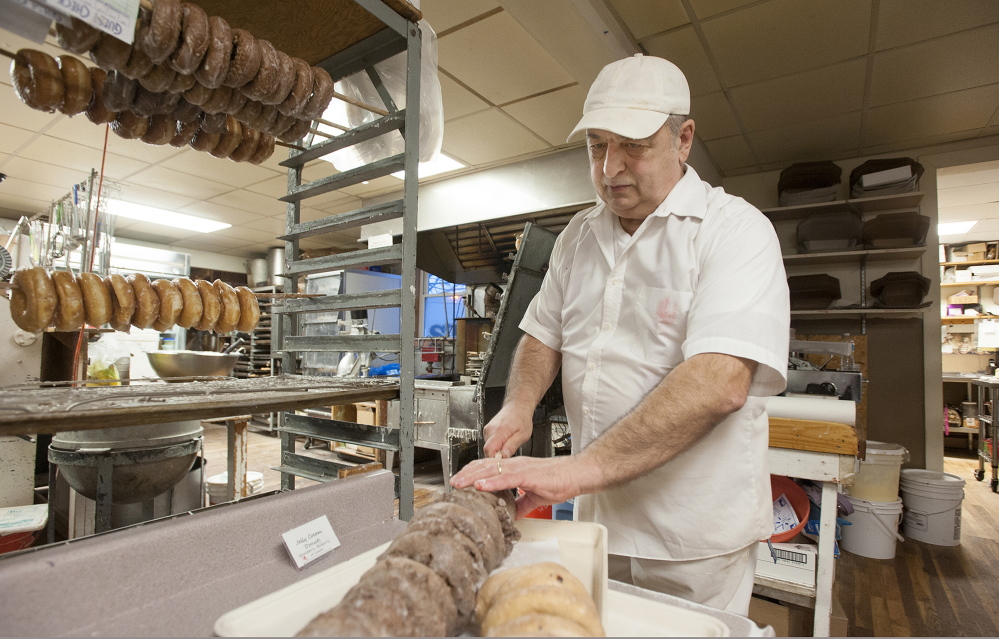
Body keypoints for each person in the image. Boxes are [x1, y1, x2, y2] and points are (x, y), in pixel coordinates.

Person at [450, 54, 790, 615]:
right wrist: (519, 406)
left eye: (633, 145)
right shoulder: (577, 238)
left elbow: (720, 381)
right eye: (597, 146)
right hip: (598, 521)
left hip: (693, 541)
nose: (611, 168)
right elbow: (543, 334)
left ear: (683, 140)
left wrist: (570, 469)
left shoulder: (735, 231)